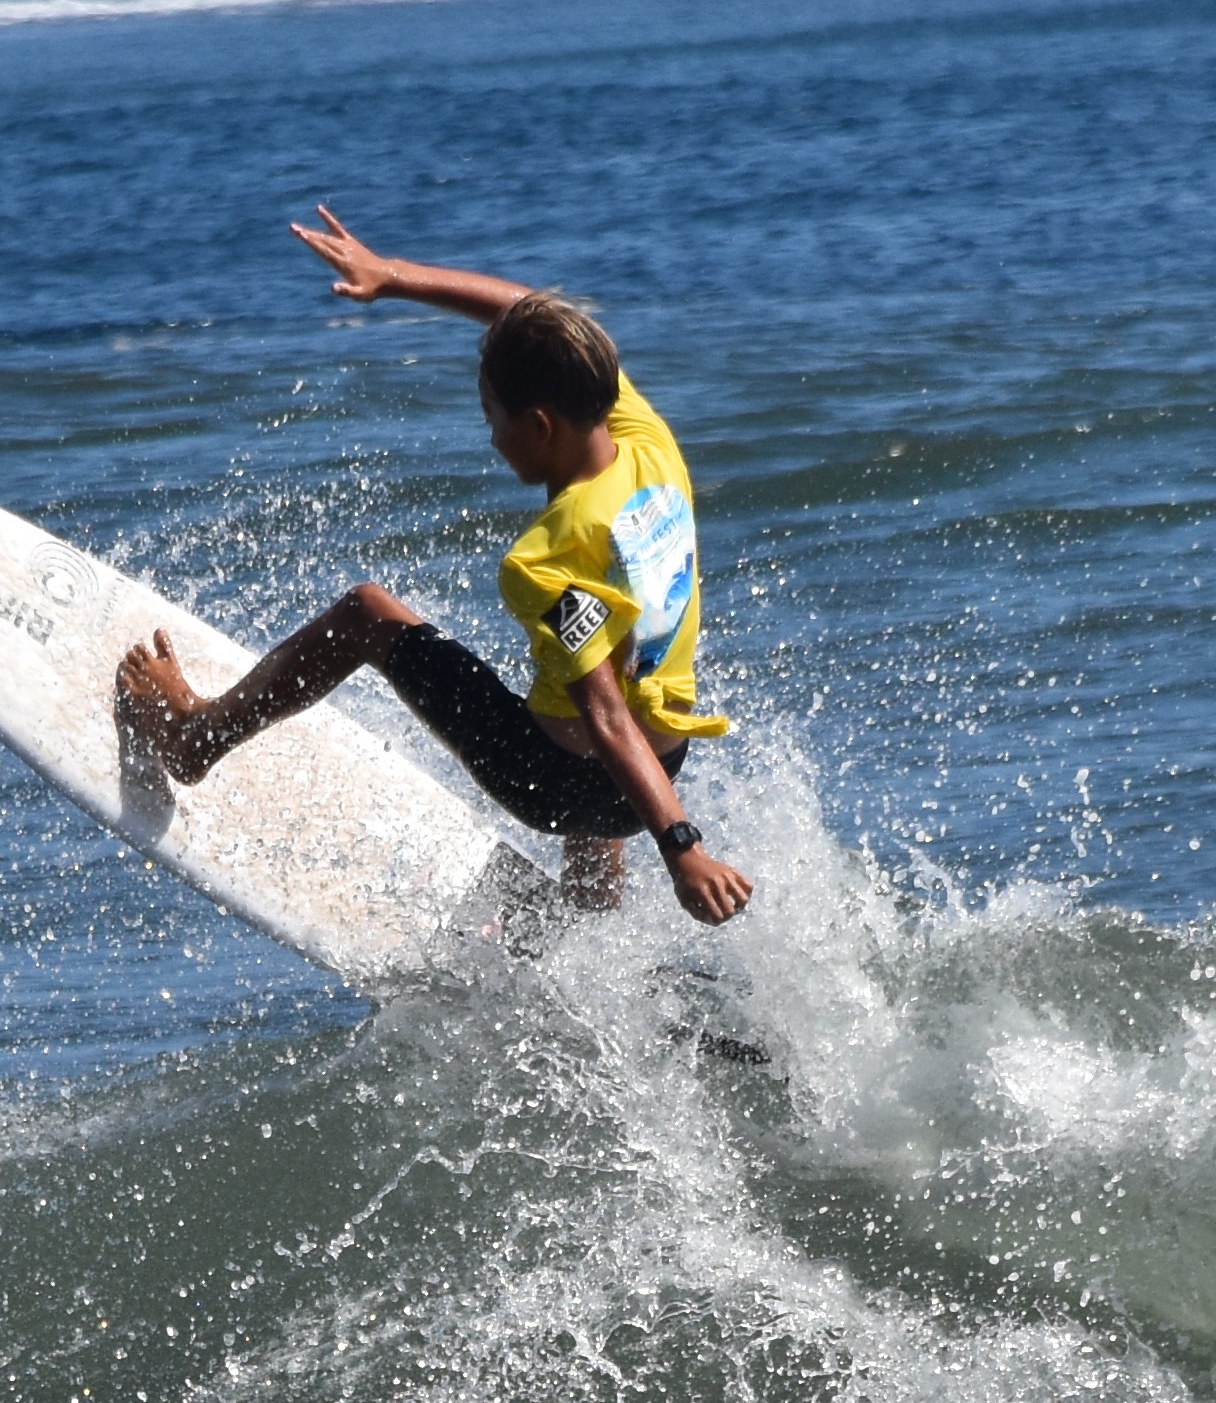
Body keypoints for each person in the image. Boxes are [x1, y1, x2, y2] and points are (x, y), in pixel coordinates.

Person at [118, 207, 752, 925]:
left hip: (558, 781)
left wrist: (682, 849)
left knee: (366, 614)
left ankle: (195, 740)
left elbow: (603, 716)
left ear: (538, 424)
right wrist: (391, 277)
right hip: (664, 762)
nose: (489, 435)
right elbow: (527, 311)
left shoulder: (544, 557)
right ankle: (588, 909)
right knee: (595, 669)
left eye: (491, 415)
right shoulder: (641, 437)